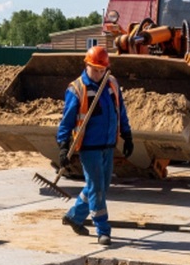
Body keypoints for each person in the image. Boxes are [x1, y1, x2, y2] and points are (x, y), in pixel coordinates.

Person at [57, 45, 134, 246]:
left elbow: (120, 111)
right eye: (95, 70)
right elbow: (66, 121)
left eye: (102, 70)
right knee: (98, 189)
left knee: (100, 186)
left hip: (108, 144)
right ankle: (103, 230)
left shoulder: (112, 84)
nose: (99, 74)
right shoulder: (77, 89)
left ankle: (74, 216)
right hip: (89, 147)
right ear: (87, 66)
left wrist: (127, 134)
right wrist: (63, 146)